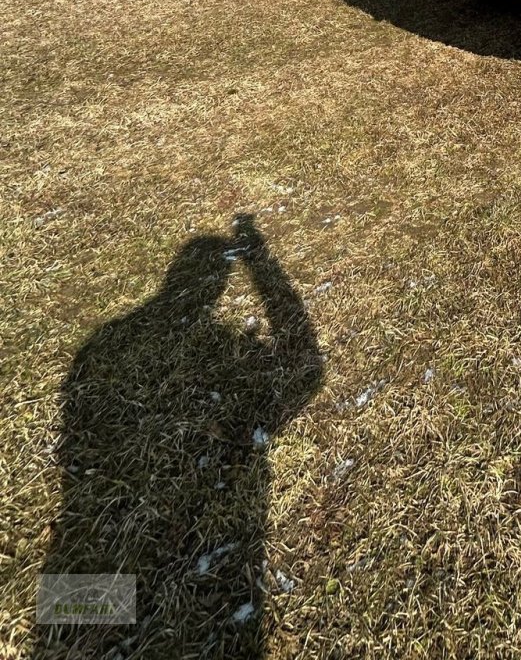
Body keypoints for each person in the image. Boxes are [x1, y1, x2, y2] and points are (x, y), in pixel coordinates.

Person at [36, 215, 323, 658]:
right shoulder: (123, 344)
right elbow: (305, 372)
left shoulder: (103, 343)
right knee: (137, 621)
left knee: (99, 619)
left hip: (98, 547)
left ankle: (86, 629)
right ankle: (94, 630)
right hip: (145, 547)